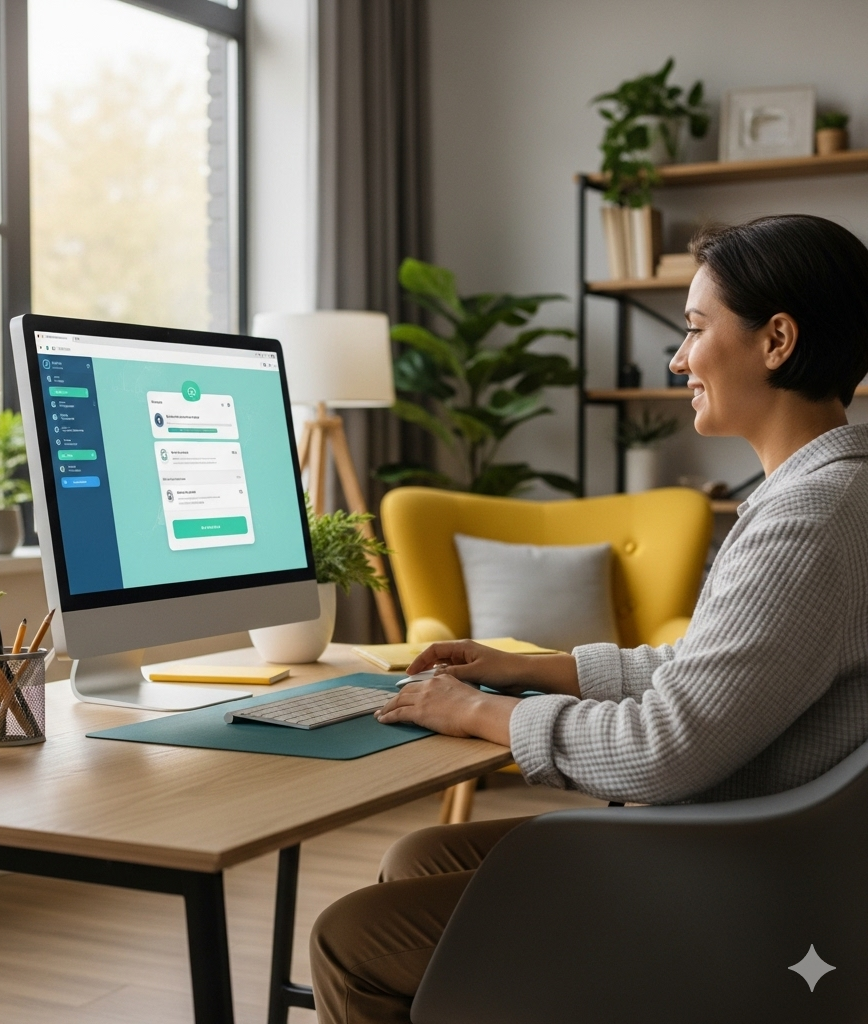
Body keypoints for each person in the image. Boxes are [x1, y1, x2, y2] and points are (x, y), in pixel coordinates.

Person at [309, 214, 868, 1024]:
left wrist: (476, 712)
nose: (678, 358)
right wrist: (528, 666)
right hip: (751, 842)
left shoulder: (812, 517)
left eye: (695, 329)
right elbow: (712, 676)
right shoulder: (823, 495)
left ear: (777, 340)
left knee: (348, 937)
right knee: (417, 853)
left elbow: (666, 748)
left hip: (742, 879)